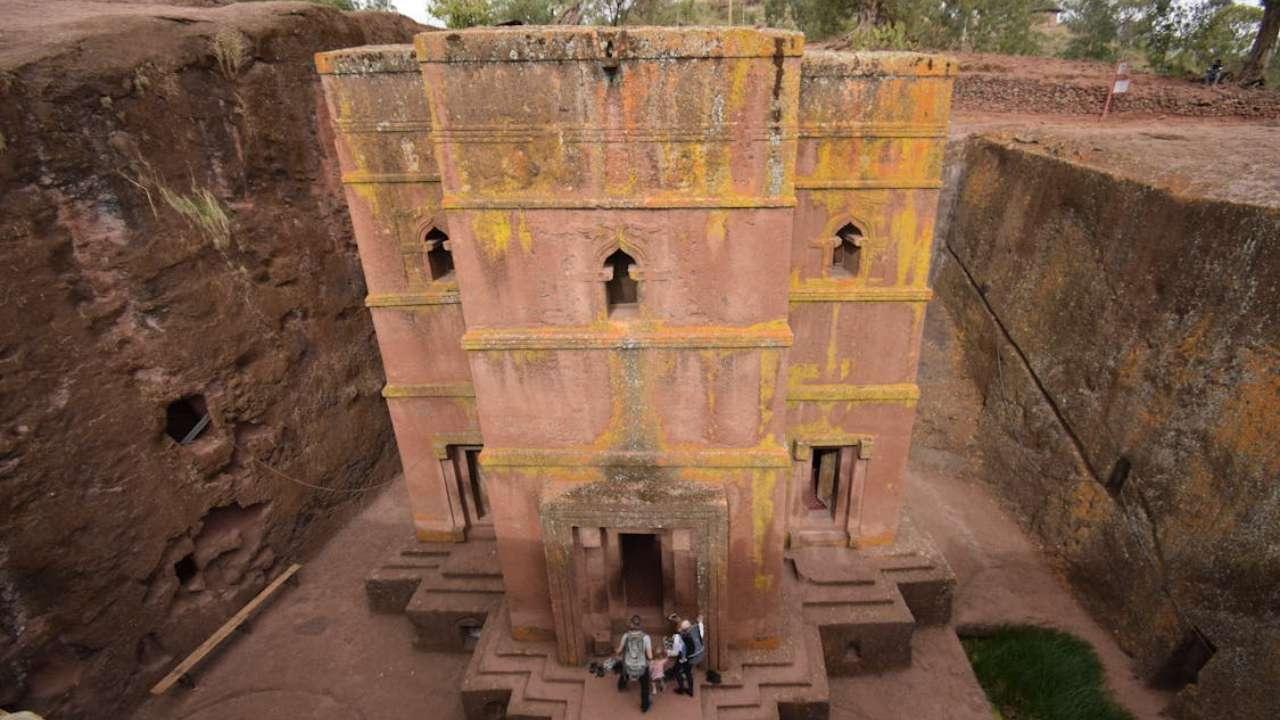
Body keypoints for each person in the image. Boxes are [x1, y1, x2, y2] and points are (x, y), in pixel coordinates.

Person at [615, 615, 653, 712]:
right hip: (641, 666)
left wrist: (617, 651)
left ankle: (621, 686)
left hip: (628, 664)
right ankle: (645, 706)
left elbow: (619, 650)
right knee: (645, 686)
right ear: (640, 625)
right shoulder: (646, 638)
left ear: (631, 624)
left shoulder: (625, 636)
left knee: (625, 672)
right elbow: (650, 656)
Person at [669, 614, 705, 696]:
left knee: (676, 671)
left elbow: (674, 652)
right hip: (694, 656)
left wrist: (668, 650)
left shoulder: (678, 637)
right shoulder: (696, 631)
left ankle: (681, 689)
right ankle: (690, 690)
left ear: (680, 629)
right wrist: (700, 622)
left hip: (684, 657)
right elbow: (701, 630)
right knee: (688, 673)